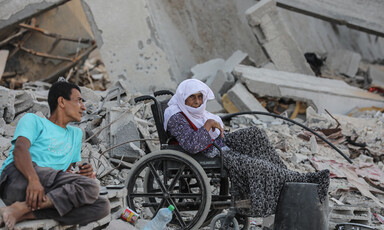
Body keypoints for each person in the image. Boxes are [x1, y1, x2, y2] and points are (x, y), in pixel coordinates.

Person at [164, 79, 330, 217]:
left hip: (216, 146)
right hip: (206, 153)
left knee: (254, 134)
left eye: (200, 96)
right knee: (256, 166)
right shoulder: (176, 116)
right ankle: (300, 179)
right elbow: (191, 145)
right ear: (182, 98)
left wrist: (209, 127)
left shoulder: (195, 112)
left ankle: (285, 175)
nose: (198, 101)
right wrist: (207, 126)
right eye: (192, 97)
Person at [0, 80, 110, 229]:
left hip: (43, 192)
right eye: (79, 101)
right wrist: (33, 180)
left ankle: (21, 211)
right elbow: (19, 150)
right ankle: (22, 208)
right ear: (62, 102)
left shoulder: (76, 134)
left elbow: (64, 174)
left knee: (102, 205)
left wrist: (81, 175)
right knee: (90, 187)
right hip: (17, 180)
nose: (84, 107)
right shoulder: (34, 120)